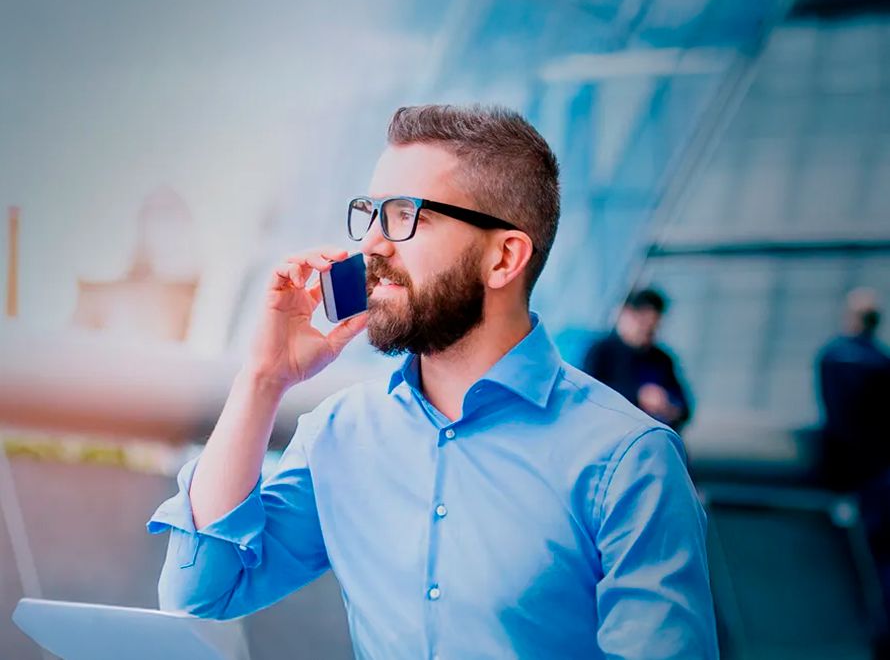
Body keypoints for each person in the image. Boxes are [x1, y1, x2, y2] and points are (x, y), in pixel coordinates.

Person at [148, 104, 718, 659]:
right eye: (370, 214)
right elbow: (199, 593)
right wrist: (263, 379)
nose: (371, 244)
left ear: (503, 258)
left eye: (404, 215)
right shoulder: (340, 434)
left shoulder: (629, 462)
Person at [817, 288, 890, 655]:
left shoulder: (833, 357)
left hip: (851, 475)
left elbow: (836, 417)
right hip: (879, 475)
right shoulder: (880, 361)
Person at [581, 288, 691, 432]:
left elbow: (684, 407)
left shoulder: (662, 359)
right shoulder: (601, 352)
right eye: (643, 322)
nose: (647, 330)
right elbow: (589, 395)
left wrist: (670, 406)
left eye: (653, 325)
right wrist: (638, 396)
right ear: (625, 315)